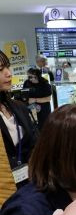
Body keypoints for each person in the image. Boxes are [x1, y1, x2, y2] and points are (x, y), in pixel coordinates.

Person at [0, 51, 38, 189]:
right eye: (0, 70)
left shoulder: (19, 107)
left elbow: (35, 141)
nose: (8, 74)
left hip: (31, 183)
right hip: (5, 190)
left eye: (7, 67)